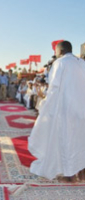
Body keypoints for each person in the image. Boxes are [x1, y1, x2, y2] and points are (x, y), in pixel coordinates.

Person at [28, 41, 85, 182]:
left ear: (60, 51)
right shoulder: (82, 63)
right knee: (80, 141)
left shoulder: (60, 63)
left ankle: (69, 174)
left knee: (66, 140)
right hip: (81, 109)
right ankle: (82, 173)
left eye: (56, 51)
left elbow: (54, 88)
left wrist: (46, 106)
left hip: (66, 109)